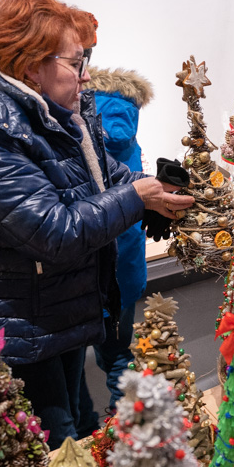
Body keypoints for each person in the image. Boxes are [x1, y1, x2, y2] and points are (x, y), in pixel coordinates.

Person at [0, 0, 193, 449]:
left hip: (50, 316)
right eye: (76, 63)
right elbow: (52, 230)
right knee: (50, 464)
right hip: (6, 339)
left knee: (75, 443)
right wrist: (135, 197)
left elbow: (103, 175)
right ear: (31, 65)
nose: (86, 78)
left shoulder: (48, 112)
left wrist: (152, 186)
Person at [82, 65, 154, 411]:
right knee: (118, 353)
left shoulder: (86, 139)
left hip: (85, 264)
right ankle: (122, 421)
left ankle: (85, 428)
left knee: (72, 365)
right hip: (123, 267)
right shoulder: (128, 143)